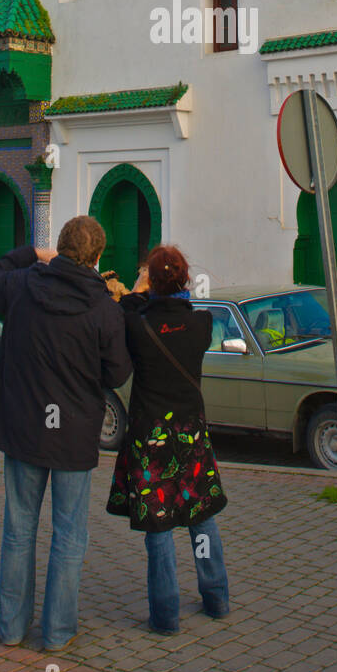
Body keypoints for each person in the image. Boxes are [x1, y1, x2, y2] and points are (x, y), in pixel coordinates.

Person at [0, 216, 130, 653]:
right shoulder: (104, 308)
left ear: (58, 249)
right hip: (73, 432)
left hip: (25, 427)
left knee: (18, 529)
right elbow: (118, 372)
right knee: (69, 536)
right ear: (97, 258)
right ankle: (59, 631)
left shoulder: (25, 284)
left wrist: (30, 253)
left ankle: (10, 628)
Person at [107, 245, 229, 634]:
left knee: (158, 527)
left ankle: (165, 615)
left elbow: (124, 310)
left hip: (150, 436)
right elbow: (179, 314)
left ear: (152, 282)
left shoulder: (137, 326)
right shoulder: (202, 324)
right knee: (201, 516)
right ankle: (217, 597)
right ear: (186, 280)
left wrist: (137, 289)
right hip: (191, 433)